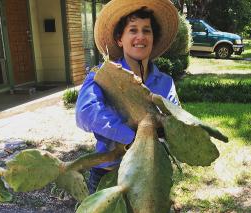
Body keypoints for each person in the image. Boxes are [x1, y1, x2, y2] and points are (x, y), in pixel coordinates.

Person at [75, 0, 180, 194]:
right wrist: (132, 138)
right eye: (133, 30)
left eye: (146, 30)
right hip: (108, 177)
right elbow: (86, 113)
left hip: (150, 175)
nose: (140, 36)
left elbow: (176, 124)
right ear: (119, 39)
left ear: (153, 38)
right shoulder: (100, 75)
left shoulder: (165, 83)